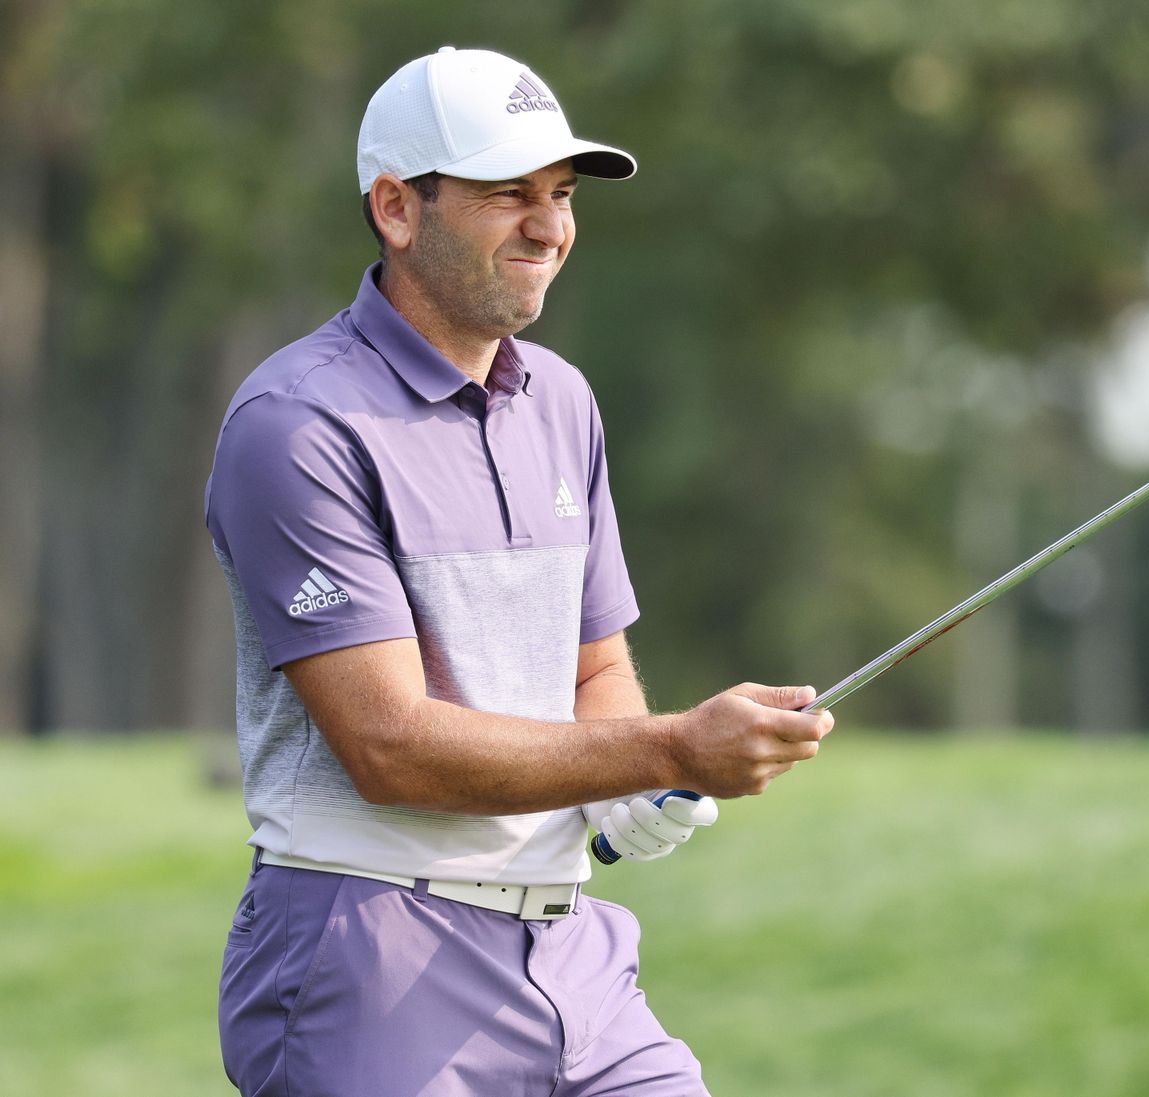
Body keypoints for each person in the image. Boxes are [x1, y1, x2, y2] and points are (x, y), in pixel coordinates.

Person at [204, 45, 833, 1097]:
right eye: (509, 194)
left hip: (571, 952)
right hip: (371, 955)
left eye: (561, 194)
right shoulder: (298, 423)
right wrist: (670, 744)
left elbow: (596, 665)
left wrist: (631, 784)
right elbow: (390, 746)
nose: (549, 227)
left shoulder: (561, 401)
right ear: (397, 208)